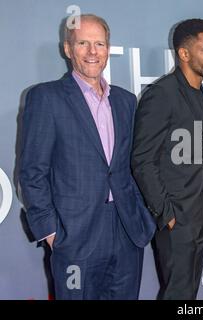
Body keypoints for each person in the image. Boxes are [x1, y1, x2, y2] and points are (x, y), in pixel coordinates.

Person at [19, 14, 156, 300]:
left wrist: (142, 213)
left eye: (100, 44)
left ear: (108, 49)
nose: (93, 52)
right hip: (74, 234)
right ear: (68, 49)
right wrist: (51, 233)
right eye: (83, 43)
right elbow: (33, 172)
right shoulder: (45, 98)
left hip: (126, 229)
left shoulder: (126, 100)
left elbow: (132, 165)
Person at [131, 18, 203, 300]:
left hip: (201, 212)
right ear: (184, 54)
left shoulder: (198, 91)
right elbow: (142, 160)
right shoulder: (162, 94)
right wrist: (167, 214)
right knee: (177, 294)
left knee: (189, 294)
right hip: (177, 218)